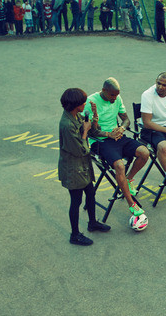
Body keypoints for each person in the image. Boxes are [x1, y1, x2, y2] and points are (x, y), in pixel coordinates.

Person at [85, 78, 150, 217]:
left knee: (145, 152)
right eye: (112, 95)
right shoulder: (91, 102)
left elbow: (126, 119)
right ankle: (131, 204)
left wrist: (121, 128)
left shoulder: (117, 98)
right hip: (100, 141)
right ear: (104, 91)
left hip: (118, 137)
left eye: (117, 95)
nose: (115, 98)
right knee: (119, 166)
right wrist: (109, 134)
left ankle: (128, 179)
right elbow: (90, 131)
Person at [58, 88, 112, 245]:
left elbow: (93, 130)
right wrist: (85, 131)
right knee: (76, 201)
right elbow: (81, 149)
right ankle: (74, 235)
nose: (85, 104)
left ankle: (92, 222)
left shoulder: (75, 115)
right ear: (76, 105)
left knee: (90, 193)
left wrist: (94, 117)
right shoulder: (67, 124)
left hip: (83, 166)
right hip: (74, 168)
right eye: (82, 102)